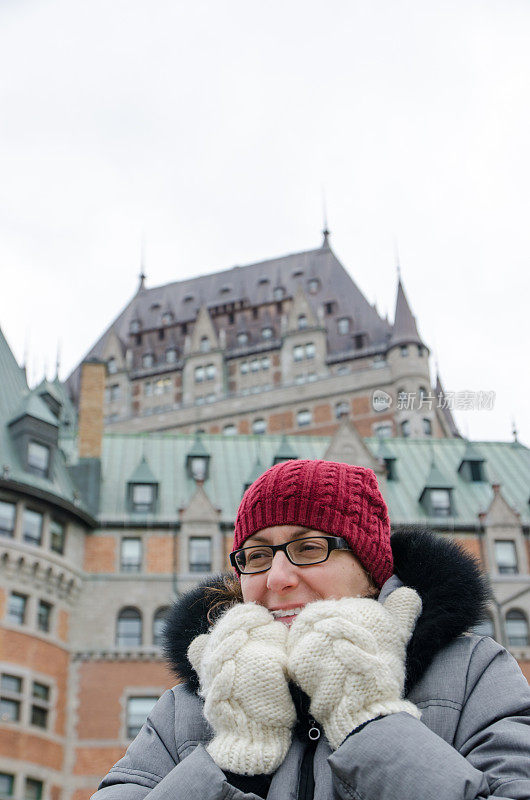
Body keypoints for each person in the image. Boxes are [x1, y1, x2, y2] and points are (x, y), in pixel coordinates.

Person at [93, 459, 530, 800]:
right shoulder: (184, 707)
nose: (277, 577)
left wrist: (368, 724)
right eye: (257, 557)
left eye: (309, 547)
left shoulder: (475, 670)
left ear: (371, 570)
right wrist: (235, 759)